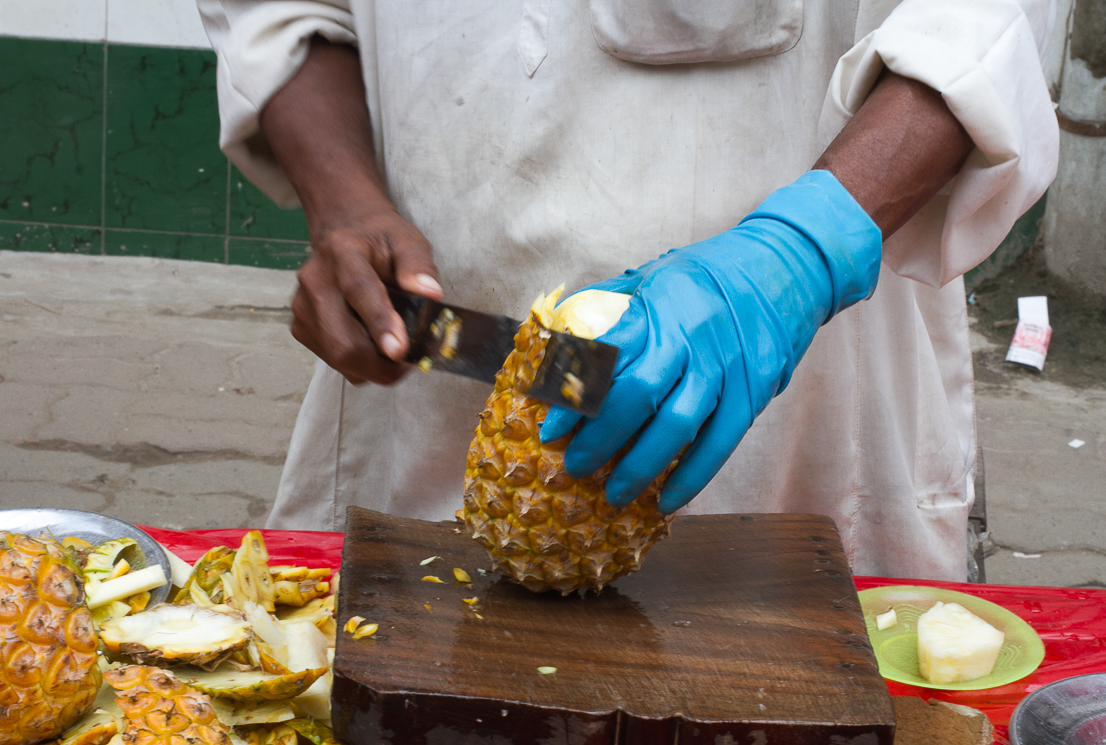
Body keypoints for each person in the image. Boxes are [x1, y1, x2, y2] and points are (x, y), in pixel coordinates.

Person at [197, 1, 1058, 581]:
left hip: (796, 419)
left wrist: (800, 252)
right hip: (431, 401)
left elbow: (983, 18)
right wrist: (343, 197)